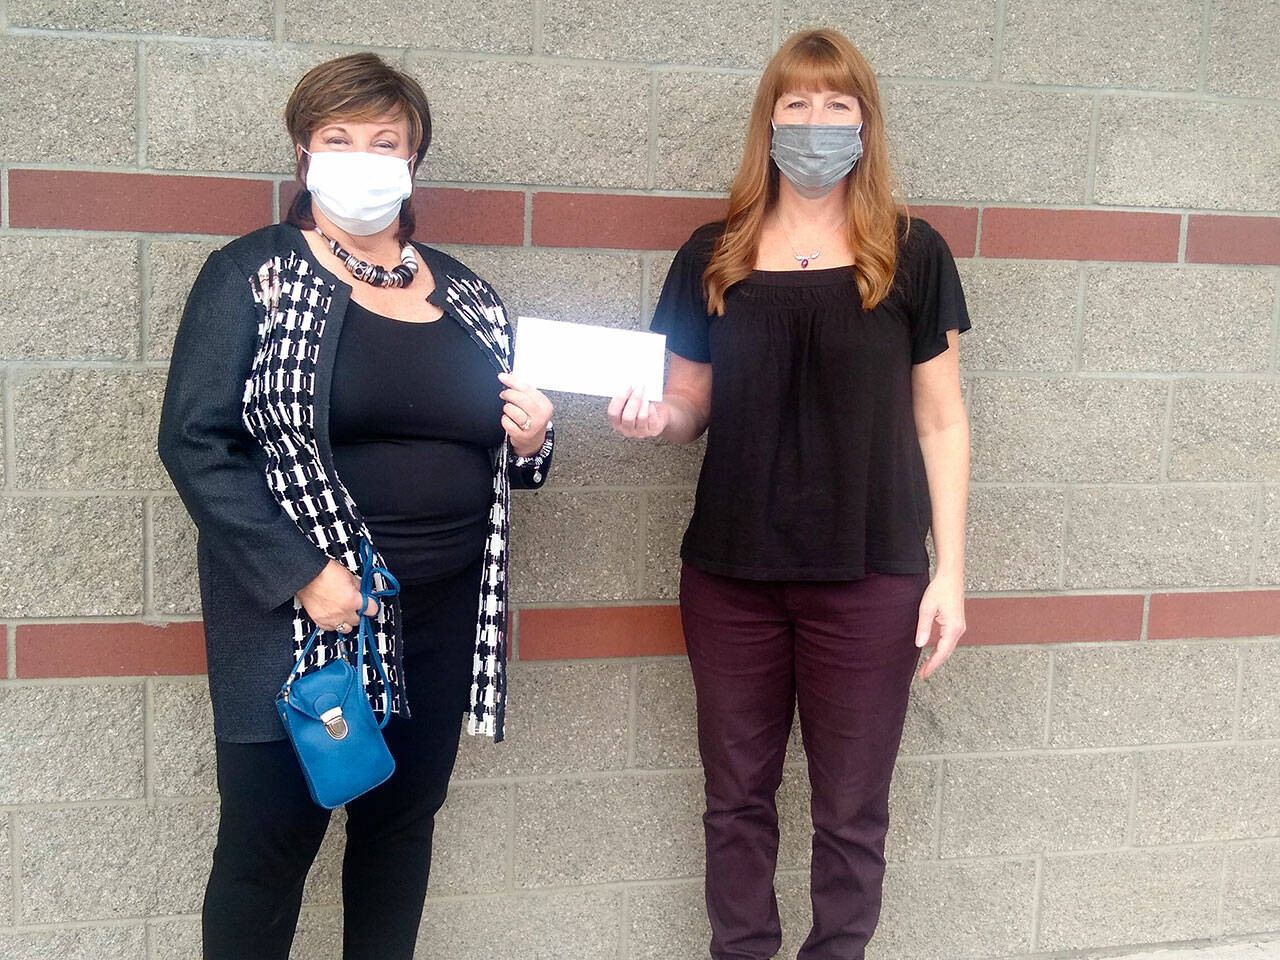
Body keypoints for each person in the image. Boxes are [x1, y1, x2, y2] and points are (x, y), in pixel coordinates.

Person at [157, 53, 554, 960]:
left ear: (414, 162)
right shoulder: (252, 275)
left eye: (388, 142)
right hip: (305, 620)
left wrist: (530, 443)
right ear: (304, 153)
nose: (364, 157)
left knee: (399, 833)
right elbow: (195, 441)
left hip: (444, 613)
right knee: (267, 848)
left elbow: (503, 457)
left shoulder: (466, 294)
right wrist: (301, 575)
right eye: (340, 138)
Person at [608, 28, 970, 960]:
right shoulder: (712, 254)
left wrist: (952, 576)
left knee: (853, 811)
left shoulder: (911, 254)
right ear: (769, 120)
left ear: (866, 123)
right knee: (734, 802)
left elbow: (942, 422)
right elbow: (689, 402)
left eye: (837, 105)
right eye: (797, 104)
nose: (816, 123)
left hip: (871, 575)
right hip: (731, 578)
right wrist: (659, 421)